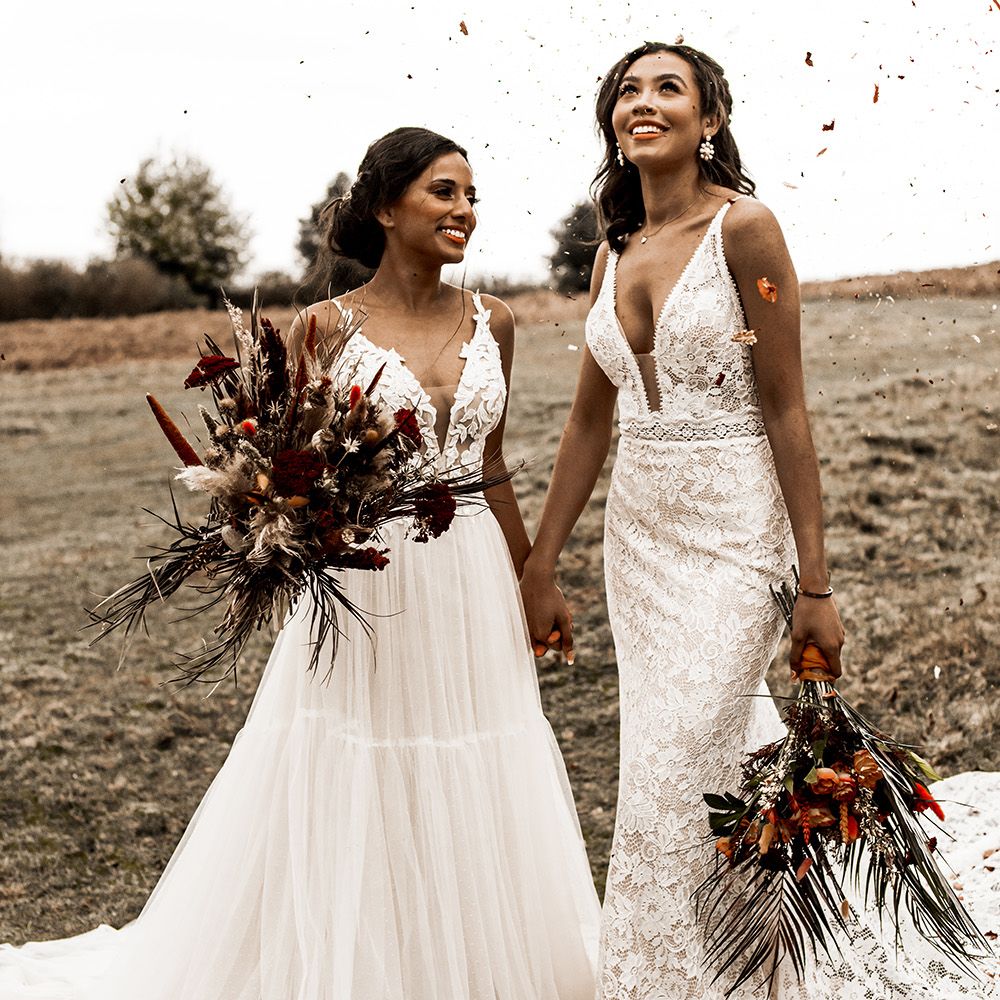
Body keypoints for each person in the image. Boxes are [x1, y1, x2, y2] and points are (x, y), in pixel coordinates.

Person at [0, 126, 600, 1000]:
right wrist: (282, 525)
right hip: (370, 577)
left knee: (477, 755)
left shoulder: (494, 320)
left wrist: (534, 576)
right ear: (386, 207)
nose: (465, 211)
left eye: (472, 196)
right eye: (443, 192)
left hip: (472, 576)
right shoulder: (325, 327)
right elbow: (289, 465)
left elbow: (491, 463)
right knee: (365, 760)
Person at [519, 42, 999, 999]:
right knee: (685, 758)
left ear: (710, 121)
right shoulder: (612, 252)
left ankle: (665, 981)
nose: (643, 102)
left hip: (736, 534)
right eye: (627, 89)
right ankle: (748, 961)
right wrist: (541, 563)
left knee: (675, 769)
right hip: (641, 543)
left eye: (669, 88)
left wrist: (815, 585)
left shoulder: (746, 229)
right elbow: (588, 423)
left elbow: (786, 410)